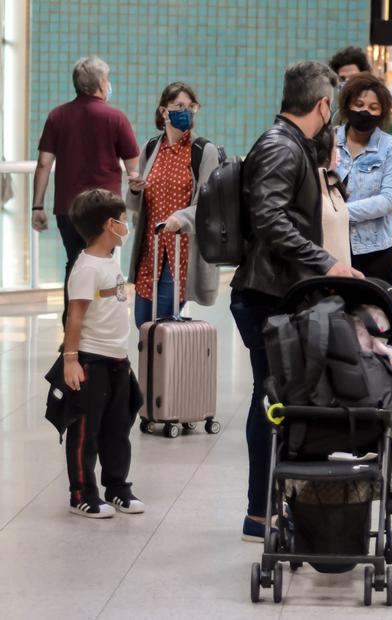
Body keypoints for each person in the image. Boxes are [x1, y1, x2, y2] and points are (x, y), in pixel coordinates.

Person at [230, 61, 363, 543]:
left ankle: (265, 509)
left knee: (275, 399)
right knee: (270, 402)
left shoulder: (287, 145)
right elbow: (268, 218)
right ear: (324, 104)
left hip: (275, 291)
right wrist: (325, 262)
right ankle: (259, 514)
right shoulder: (280, 147)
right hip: (266, 295)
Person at [32, 55, 140, 325]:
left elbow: (44, 163)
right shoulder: (116, 118)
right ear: (102, 84)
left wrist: (37, 206)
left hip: (69, 209)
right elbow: (133, 169)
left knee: (75, 262)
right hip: (107, 211)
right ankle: (99, 323)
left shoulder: (57, 116)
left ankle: (72, 324)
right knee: (103, 262)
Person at [61, 189, 145, 518]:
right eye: (123, 221)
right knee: (86, 430)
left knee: (117, 427)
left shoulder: (110, 259)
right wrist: (71, 360)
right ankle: (81, 492)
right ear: (110, 225)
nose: (126, 226)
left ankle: (117, 487)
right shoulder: (85, 268)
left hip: (117, 359)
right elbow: (75, 317)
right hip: (91, 361)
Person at [126, 82, 221, 328]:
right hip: (150, 249)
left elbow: (208, 205)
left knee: (162, 327)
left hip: (181, 252)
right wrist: (135, 190)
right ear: (163, 112)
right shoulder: (151, 148)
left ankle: (164, 368)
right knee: (143, 324)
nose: (186, 111)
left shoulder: (203, 151)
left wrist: (182, 218)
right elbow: (139, 204)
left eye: (191, 106)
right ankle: (152, 368)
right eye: (179, 106)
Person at [335, 73, 392, 287]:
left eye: (373, 108)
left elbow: (390, 199)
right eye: (359, 104)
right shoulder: (328, 140)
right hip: (333, 245)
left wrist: (342, 213)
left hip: (376, 248)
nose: (365, 112)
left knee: (378, 315)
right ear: (347, 105)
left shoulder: (390, 146)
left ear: (382, 112)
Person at [329, 47, 392, 182]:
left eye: (353, 77)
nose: (347, 83)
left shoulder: (382, 120)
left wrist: (372, 174)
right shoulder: (338, 117)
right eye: (342, 78)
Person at [314, 121, 352, 268]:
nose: (339, 155)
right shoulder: (309, 190)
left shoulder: (334, 186)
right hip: (322, 278)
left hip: (341, 277)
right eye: (335, 147)